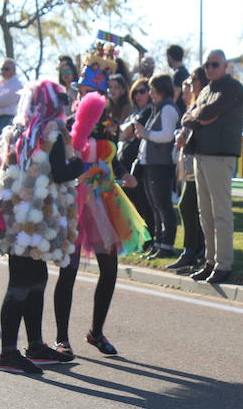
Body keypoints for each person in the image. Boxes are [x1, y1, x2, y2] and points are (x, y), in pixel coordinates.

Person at [0, 79, 84, 374]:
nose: (64, 105)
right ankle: (8, 352)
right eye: (61, 100)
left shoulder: (16, 132)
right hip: (31, 222)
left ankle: (35, 345)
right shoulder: (51, 132)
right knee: (22, 285)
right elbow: (62, 172)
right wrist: (80, 163)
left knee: (35, 280)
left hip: (17, 220)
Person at [53, 42, 146, 357]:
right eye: (87, 91)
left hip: (104, 198)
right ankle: (61, 338)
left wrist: (124, 173)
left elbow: (112, 157)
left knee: (110, 268)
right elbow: (59, 164)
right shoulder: (67, 124)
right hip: (74, 200)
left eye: (98, 92)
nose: (92, 98)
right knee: (70, 268)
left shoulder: (109, 124)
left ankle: (96, 331)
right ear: (78, 92)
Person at [181, 49, 243, 284]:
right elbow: (187, 117)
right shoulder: (207, 89)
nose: (210, 68)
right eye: (207, 64)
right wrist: (199, 116)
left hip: (220, 156)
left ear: (225, 65)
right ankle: (210, 261)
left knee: (220, 213)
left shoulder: (233, 88)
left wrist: (198, 115)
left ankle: (223, 263)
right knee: (205, 214)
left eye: (214, 64)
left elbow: (209, 111)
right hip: (201, 154)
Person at [134, 74, 180, 259]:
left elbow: (167, 135)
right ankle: (158, 243)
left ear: (161, 89)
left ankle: (166, 244)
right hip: (152, 162)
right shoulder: (158, 108)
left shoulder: (168, 108)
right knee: (155, 205)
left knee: (163, 205)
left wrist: (145, 133)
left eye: (152, 89)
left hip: (161, 163)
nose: (150, 93)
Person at [168, 67, 209, 272]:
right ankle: (191, 250)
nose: (187, 90)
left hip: (199, 161)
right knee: (190, 206)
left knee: (189, 205)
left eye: (191, 84)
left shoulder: (202, 103)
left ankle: (197, 250)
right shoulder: (190, 106)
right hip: (189, 163)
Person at [117, 77, 155, 238]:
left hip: (141, 164)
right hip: (127, 163)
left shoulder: (149, 111)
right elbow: (121, 133)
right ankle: (139, 236)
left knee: (144, 202)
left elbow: (126, 132)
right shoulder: (135, 112)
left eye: (142, 91)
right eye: (136, 92)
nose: (138, 95)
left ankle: (148, 237)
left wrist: (125, 132)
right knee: (134, 203)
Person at [166, 44, 190, 114]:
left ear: (169, 57)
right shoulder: (186, 72)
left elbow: (175, 96)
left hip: (179, 114)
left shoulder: (178, 74)